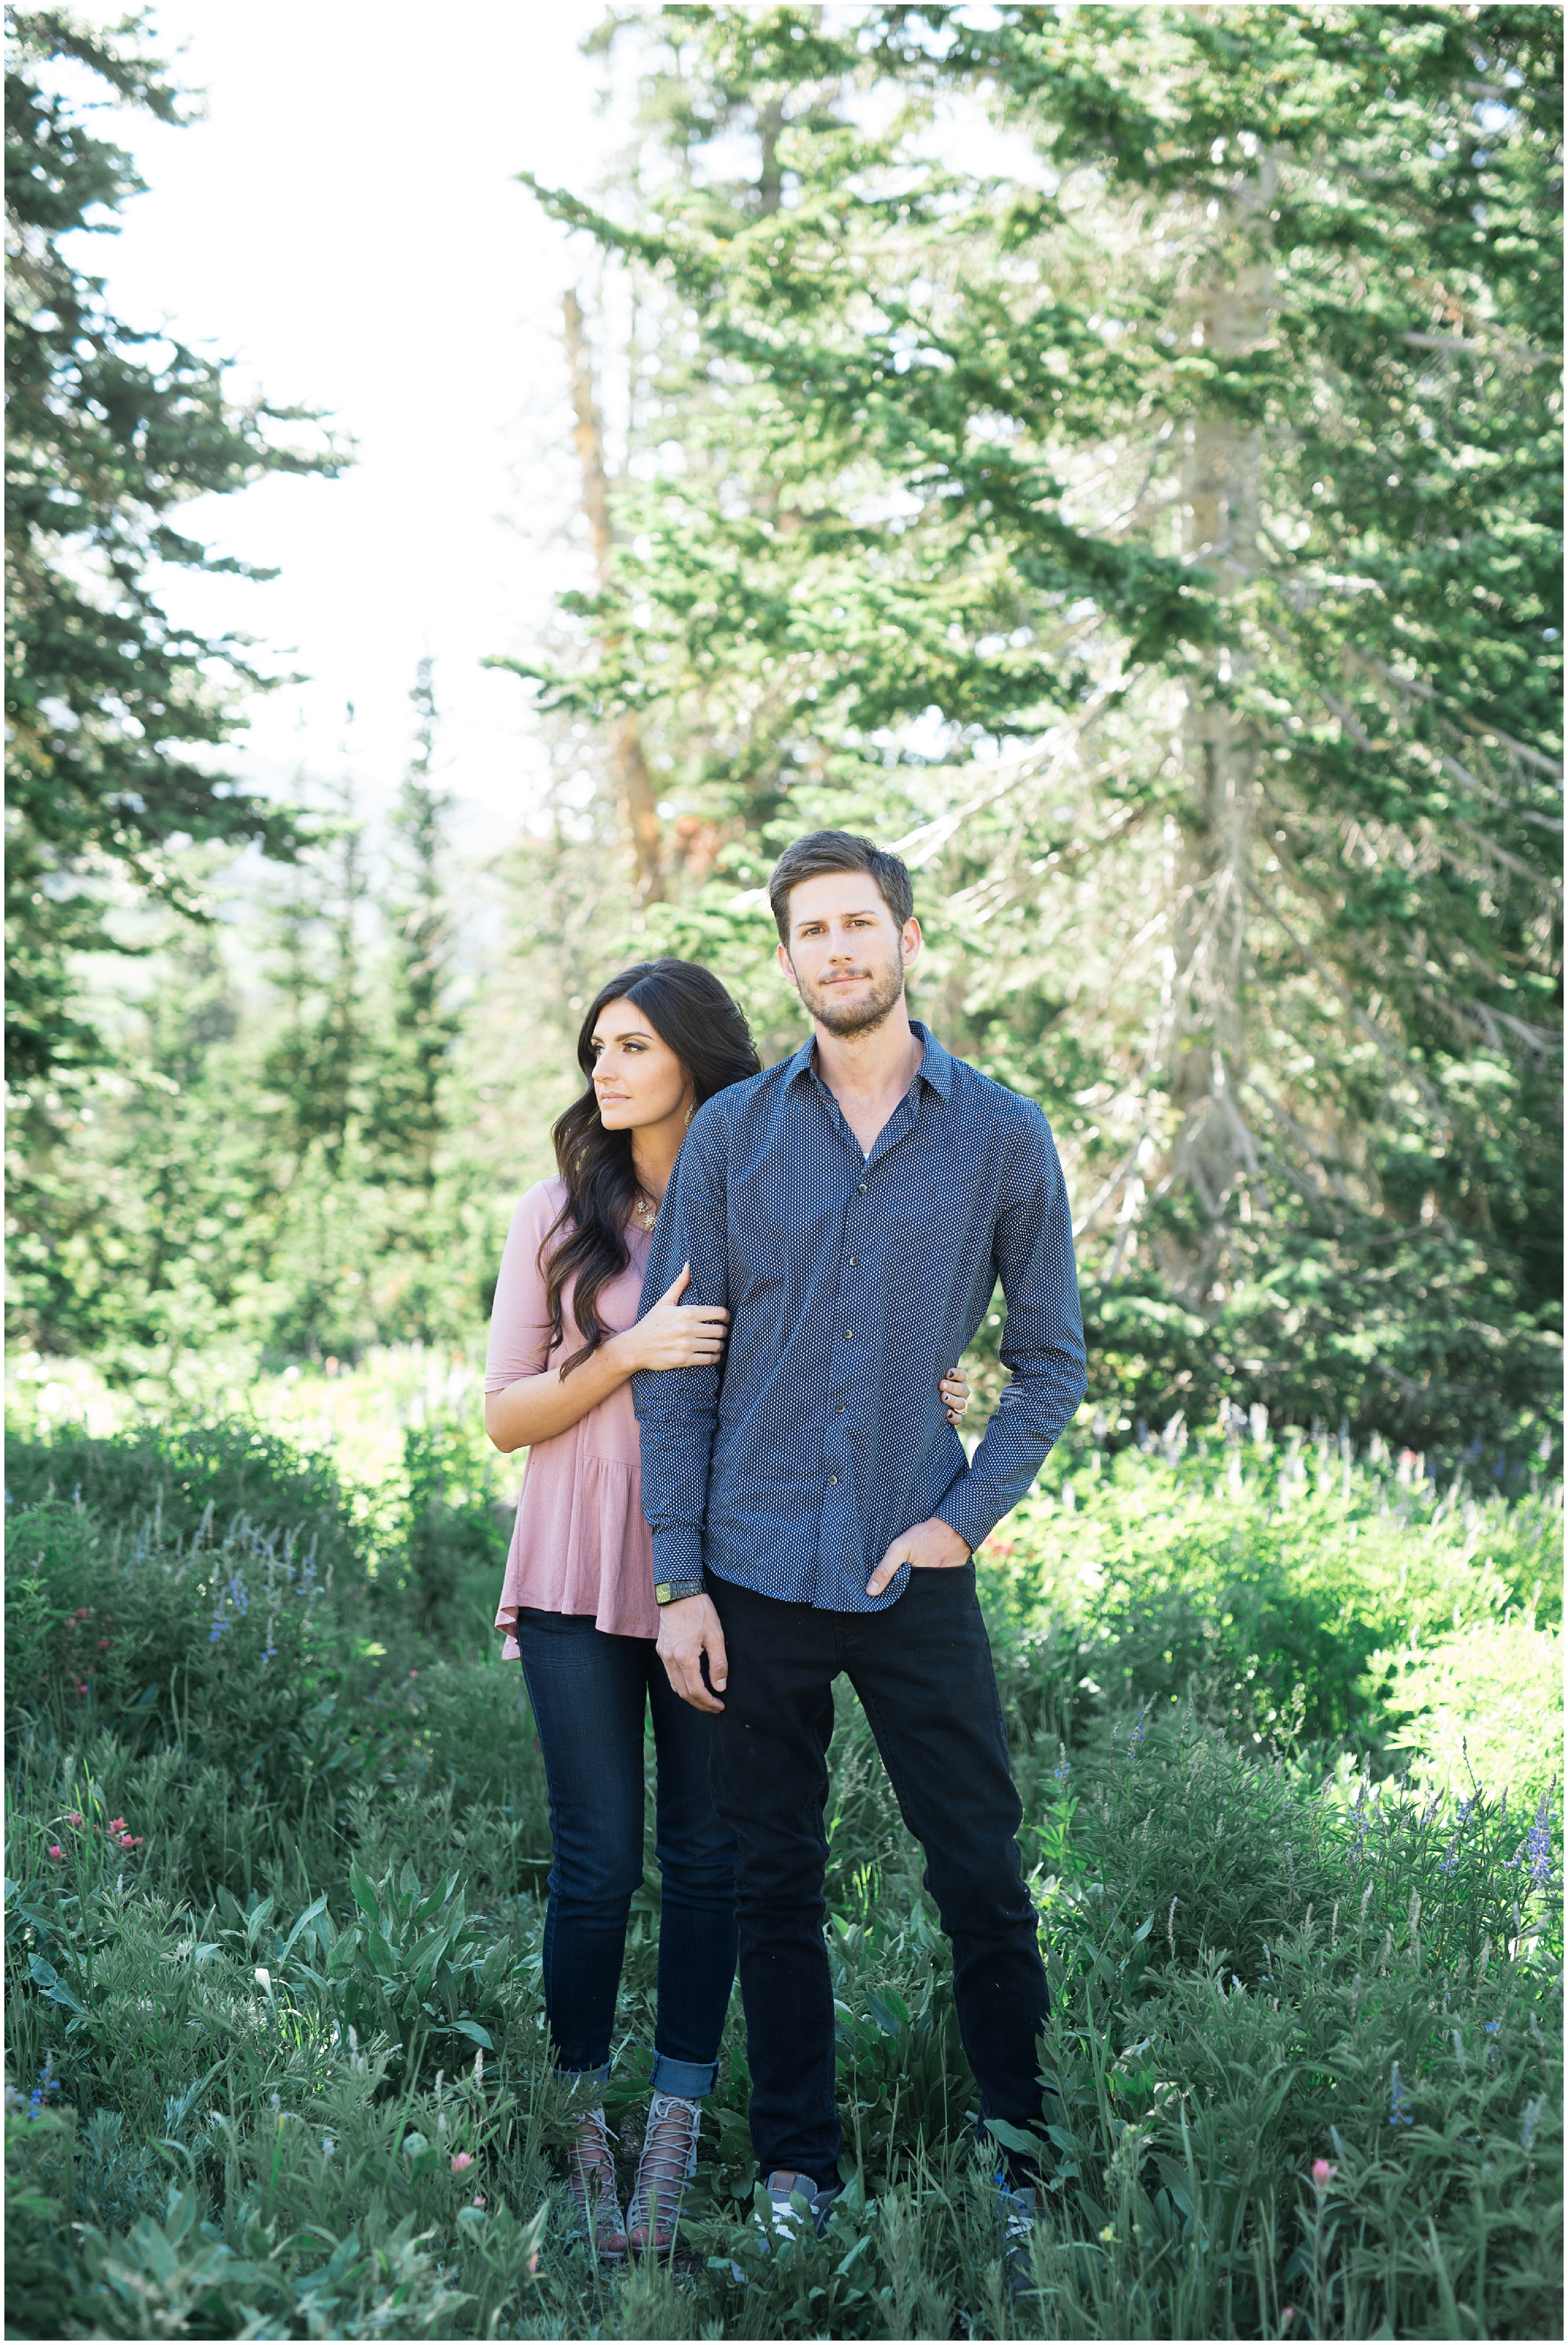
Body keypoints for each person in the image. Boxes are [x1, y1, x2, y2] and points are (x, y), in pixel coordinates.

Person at [631, 832, 1087, 2253]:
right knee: (772, 1885)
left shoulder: (1000, 1134)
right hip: (754, 1571)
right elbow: (676, 1367)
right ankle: (796, 2177)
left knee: (981, 1876)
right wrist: (679, 1580)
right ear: (786, 959)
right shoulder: (732, 1136)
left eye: (857, 924)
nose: (836, 950)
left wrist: (964, 1518)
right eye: (809, 932)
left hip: (909, 1566)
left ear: (903, 936)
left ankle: (1017, 2168)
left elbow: (1049, 1360)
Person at [485, 954, 974, 2257]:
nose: (605, 1066)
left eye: (634, 1045)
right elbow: (502, 1416)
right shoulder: (554, 1215)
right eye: (597, 1045)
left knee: (711, 1861)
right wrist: (625, 1353)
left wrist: (938, 1394)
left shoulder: (764, 1197)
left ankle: (674, 2125)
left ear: (697, 1059)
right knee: (595, 1862)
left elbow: (854, 1344)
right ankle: (584, 2119)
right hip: (578, 1570)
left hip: (722, 1573)